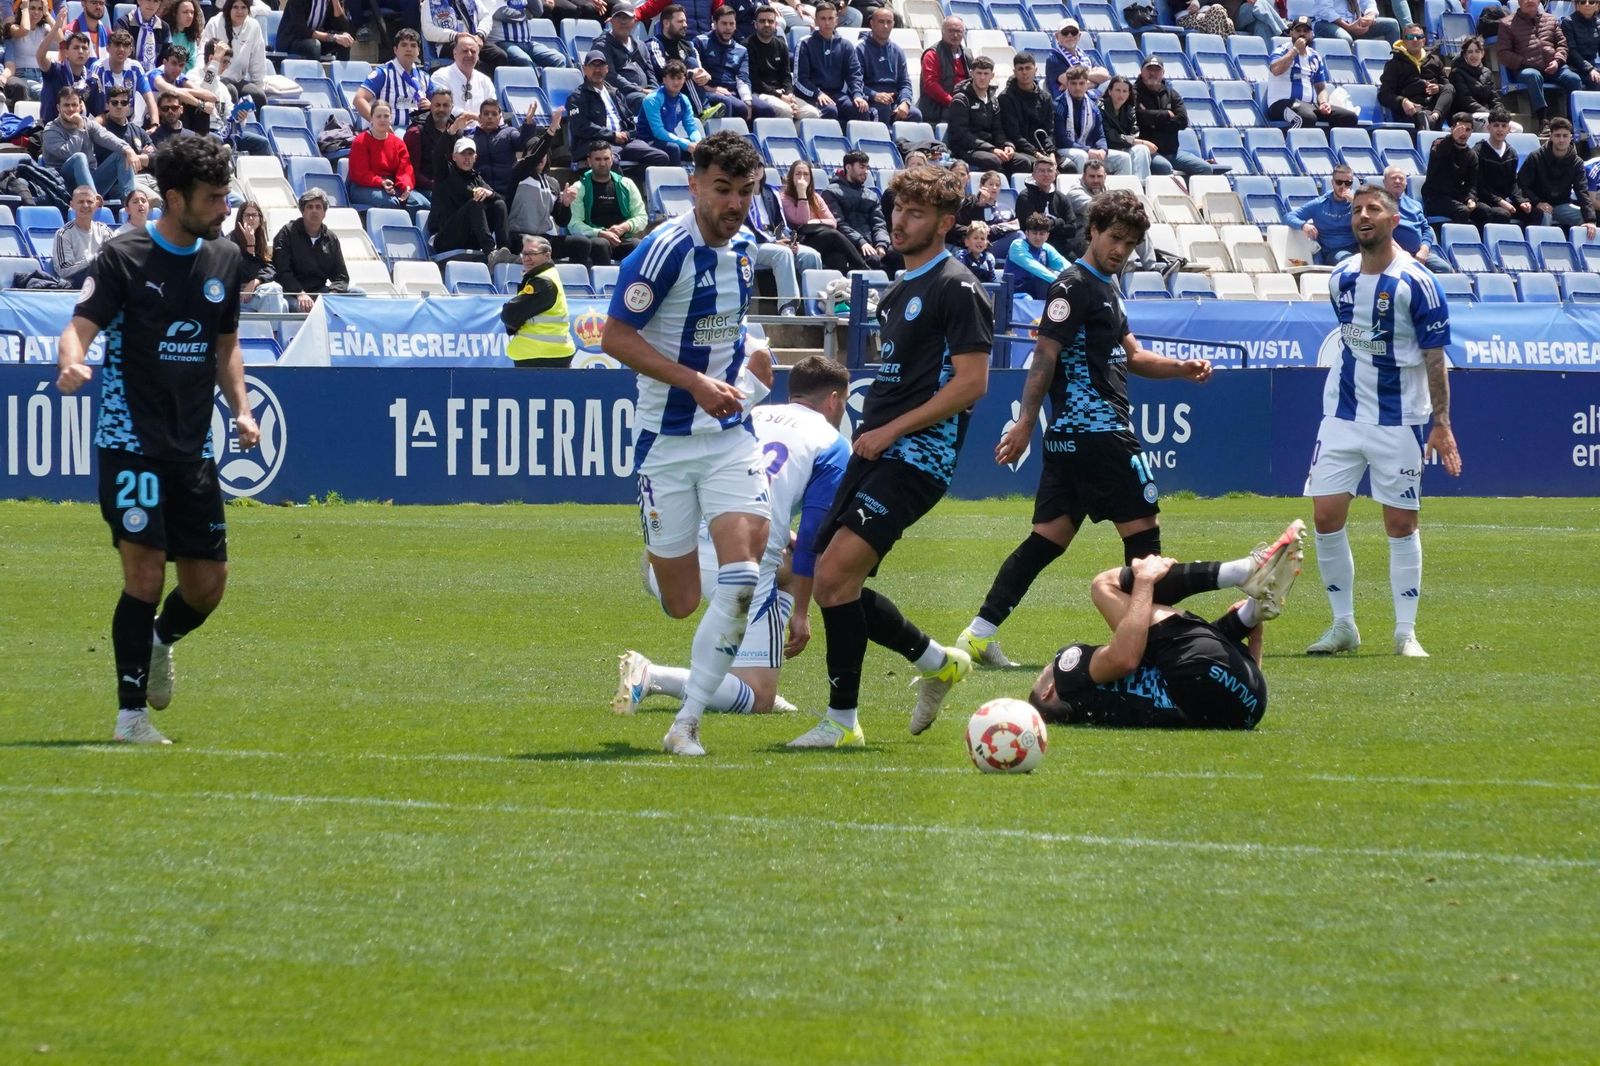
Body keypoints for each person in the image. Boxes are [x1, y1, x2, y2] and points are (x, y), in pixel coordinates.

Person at [53, 135, 258, 746]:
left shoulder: (223, 258)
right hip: (130, 442)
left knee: (207, 586)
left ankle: (162, 639)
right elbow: (78, 328)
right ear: (175, 198)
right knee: (143, 575)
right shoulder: (123, 257)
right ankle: (129, 717)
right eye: (214, 197)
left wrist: (242, 409)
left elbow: (226, 348)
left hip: (192, 451)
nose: (225, 206)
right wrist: (71, 363)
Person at [786, 164, 993, 749]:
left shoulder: (958, 286)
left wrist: (891, 430)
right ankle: (936, 662)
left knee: (832, 576)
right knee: (834, 583)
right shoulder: (899, 288)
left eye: (917, 213)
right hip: (875, 449)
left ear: (947, 223)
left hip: (917, 458)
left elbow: (971, 384)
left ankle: (842, 721)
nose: (901, 221)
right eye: (898, 209)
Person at [961, 190, 1213, 666]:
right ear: (1093, 231)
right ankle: (1155, 646)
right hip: (1101, 434)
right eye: (1115, 237)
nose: (1122, 249)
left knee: (1046, 540)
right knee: (1145, 544)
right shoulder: (1073, 285)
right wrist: (1024, 423)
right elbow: (1044, 354)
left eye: (1132, 242)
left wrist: (1182, 367)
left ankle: (977, 634)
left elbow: (1134, 357)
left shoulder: (1105, 288)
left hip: (1073, 442)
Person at [599, 132, 769, 757]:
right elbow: (614, 338)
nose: (734, 204)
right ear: (694, 184)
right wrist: (694, 381)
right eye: (722, 190)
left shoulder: (747, 249)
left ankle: (686, 722)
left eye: (745, 192)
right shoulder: (662, 251)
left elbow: (731, 327)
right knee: (680, 603)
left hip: (730, 440)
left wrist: (753, 358)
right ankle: (660, 556)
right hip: (665, 444)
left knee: (746, 575)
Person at [616, 356, 853, 718]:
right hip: (741, 564)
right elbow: (811, 539)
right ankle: (654, 676)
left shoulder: (750, 415)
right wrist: (802, 614)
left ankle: (757, 664)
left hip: (673, 559)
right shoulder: (831, 443)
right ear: (834, 400)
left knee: (784, 567)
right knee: (756, 698)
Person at [1304, 181, 1458, 659]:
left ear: (1395, 221)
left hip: (1399, 421)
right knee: (1326, 517)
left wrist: (1442, 423)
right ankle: (1343, 625)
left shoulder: (1419, 282)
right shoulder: (1340, 278)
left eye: (1373, 209)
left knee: (1400, 524)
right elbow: (1351, 340)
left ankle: (1405, 632)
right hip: (1342, 417)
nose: (1362, 215)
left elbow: (1435, 357)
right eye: (1356, 209)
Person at [1027, 534, 1304, 730]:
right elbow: (1125, 657)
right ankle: (1244, 571)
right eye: (1043, 673)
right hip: (1199, 671)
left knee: (1177, 646)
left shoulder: (1101, 705)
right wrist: (1145, 581)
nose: (1047, 667)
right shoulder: (1066, 676)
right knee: (1105, 586)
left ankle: (1251, 614)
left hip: (1249, 704)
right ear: (1050, 690)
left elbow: (1211, 666)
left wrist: (1256, 636)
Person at [567, 50, 674, 174]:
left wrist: (628, 134)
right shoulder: (576, 97)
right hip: (597, 143)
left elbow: (630, 121)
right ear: (585, 69)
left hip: (624, 142)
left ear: (607, 69)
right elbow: (580, 126)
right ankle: (622, 187)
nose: (597, 70)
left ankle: (629, 183)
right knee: (610, 161)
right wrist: (612, 135)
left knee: (661, 158)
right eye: (593, 66)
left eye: (601, 66)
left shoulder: (615, 93)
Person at [43, 85, 139, 201]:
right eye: (66, 105)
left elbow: (106, 137)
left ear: (80, 107)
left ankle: (131, 202)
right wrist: (79, 128)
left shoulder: (88, 123)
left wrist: (128, 149)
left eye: (74, 105)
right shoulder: (51, 129)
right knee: (79, 157)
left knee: (122, 153)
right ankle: (92, 201)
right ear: (58, 108)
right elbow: (70, 153)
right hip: (64, 185)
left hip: (92, 181)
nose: (71, 109)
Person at [746, 166, 821, 315]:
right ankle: (788, 307)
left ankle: (813, 307)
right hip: (753, 244)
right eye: (751, 165)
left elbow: (781, 224)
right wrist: (773, 242)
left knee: (811, 255)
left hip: (774, 241)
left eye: (759, 166)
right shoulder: (740, 194)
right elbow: (745, 229)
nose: (756, 169)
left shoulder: (770, 192)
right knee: (782, 253)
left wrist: (788, 240)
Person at [428, 137, 515, 261]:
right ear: (454, 157)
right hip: (445, 239)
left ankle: (504, 251)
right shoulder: (445, 173)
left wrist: (489, 193)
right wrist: (450, 132)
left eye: (470, 154)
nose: (467, 158)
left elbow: (499, 198)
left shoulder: (476, 178)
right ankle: (491, 252)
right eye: (463, 154)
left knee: (499, 204)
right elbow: (437, 154)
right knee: (475, 203)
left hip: (469, 239)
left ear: (475, 157)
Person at [1498, 0, 1583, 126]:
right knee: (1533, 76)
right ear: (1519, 2)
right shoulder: (1506, 24)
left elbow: (1562, 45)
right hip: (1525, 69)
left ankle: (1572, 122)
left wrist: (1557, 61)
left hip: (1554, 68)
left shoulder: (1551, 20)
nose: (1529, 1)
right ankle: (1542, 120)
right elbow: (1503, 53)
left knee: (1574, 79)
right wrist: (1525, 62)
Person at [1135, 56, 1222, 177]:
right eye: (1149, 69)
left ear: (1163, 73)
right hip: (1148, 153)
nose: (1153, 73)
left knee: (1205, 168)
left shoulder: (1172, 94)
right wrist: (1166, 114)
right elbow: (1139, 117)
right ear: (1141, 71)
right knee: (1164, 168)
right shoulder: (1133, 93)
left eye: (1157, 70)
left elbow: (1182, 121)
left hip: (1172, 153)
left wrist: (1152, 119)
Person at [780, 159, 872, 273]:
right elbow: (801, 220)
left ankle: (844, 286)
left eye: (806, 174)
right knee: (833, 235)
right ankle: (864, 268)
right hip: (800, 240)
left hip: (819, 238)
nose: (802, 178)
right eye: (798, 174)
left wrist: (813, 222)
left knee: (837, 257)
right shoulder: (784, 198)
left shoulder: (815, 197)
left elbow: (832, 222)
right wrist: (802, 193)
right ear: (791, 177)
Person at [1269, 17, 1359, 129]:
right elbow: (1275, 70)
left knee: (1349, 117)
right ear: (1291, 33)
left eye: (1306, 31)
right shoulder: (1282, 50)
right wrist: (1295, 50)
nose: (1302, 34)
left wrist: (1323, 103)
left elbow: (1320, 87)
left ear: (1312, 34)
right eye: (1298, 30)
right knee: (1307, 117)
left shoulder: (1315, 56)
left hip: (1308, 106)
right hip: (1281, 104)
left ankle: (1328, 144)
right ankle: (1292, 145)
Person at [502, 235, 577, 367]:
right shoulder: (548, 275)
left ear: (547, 255)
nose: (526, 258)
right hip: (549, 354)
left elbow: (510, 314)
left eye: (532, 254)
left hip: (539, 355)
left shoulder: (543, 281)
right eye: (524, 253)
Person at [273, 187, 352, 312]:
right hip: (292, 293)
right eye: (310, 207)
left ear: (324, 213)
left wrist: (332, 294)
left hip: (321, 293)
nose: (314, 210)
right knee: (306, 310)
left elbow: (341, 277)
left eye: (318, 207)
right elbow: (282, 271)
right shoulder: (287, 233)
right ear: (302, 211)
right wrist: (300, 293)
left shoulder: (331, 238)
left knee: (358, 294)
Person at [948, 56, 1030, 175]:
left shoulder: (993, 100)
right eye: (979, 73)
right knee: (993, 161)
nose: (982, 77)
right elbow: (961, 134)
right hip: (965, 148)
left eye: (986, 73)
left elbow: (998, 129)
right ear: (972, 74)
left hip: (990, 147)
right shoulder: (961, 99)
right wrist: (991, 149)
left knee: (1023, 162)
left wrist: (1007, 145)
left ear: (992, 76)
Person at [821, 149, 899, 272]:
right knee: (872, 259)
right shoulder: (831, 193)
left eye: (867, 168)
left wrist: (881, 244)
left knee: (900, 255)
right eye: (861, 167)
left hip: (871, 244)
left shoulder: (871, 195)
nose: (866, 172)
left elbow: (879, 224)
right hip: (848, 245)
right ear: (848, 167)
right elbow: (839, 225)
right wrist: (861, 242)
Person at [568, 139, 647, 261]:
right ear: (589, 162)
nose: (603, 163)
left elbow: (642, 217)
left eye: (606, 159)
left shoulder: (626, 184)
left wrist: (625, 227)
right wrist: (600, 233)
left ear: (612, 160)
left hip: (621, 238)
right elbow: (574, 224)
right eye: (598, 159)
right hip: (595, 239)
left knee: (638, 245)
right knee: (600, 245)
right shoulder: (579, 187)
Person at [1517, 116, 1597, 231]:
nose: (1561, 140)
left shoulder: (1577, 162)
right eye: (1557, 135)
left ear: (1571, 138)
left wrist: (1590, 220)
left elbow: (1582, 191)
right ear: (1551, 137)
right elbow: (1522, 185)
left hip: (1561, 205)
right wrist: (1537, 202)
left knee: (1583, 218)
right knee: (1545, 216)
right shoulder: (1536, 157)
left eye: (1565, 136)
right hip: (1539, 204)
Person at [349, 100, 429, 213]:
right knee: (391, 203)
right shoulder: (360, 141)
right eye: (378, 116)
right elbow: (360, 173)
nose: (382, 119)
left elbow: (405, 170)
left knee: (421, 204)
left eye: (386, 116)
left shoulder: (398, 143)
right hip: (363, 186)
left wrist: (406, 186)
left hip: (392, 184)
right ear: (371, 119)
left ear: (390, 118)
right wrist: (380, 182)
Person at [1056, 65, 1135, 176]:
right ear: (1067, 84)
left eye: (1081, 83)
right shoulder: (1059, 105)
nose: (1078, 88)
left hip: (1088, 149)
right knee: (1081, 156)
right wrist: (1087, 150)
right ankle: (1082, 190)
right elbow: (1061, 140)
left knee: (1123, 158)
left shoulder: (1093, 106)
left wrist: (1102, 149)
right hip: (1065, 150)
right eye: (1074, 83)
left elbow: (1100, 134)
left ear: (1087, 84)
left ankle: (1121, 193)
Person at [699, 4, 773, 120]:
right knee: (739, 108)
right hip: (710, 91)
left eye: (731, 24)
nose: (728, 28)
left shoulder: (741, 50)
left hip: (733, 91)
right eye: (724, 23)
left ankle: (750, 137)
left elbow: (743, 78)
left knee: (765, 110)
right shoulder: (701, 42)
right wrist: (710, 88)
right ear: (715, 23)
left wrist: (747, 101)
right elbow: (695, 72)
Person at [795, 0, 865, 122]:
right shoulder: (805, 43)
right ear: (816, 20)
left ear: (836, 20)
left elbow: (854, 75)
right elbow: (800, 79)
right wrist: (818, 93)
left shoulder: (846, 45)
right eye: (823, 18)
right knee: (830, 110)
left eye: (830, 18)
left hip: (837, 94)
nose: (827, 22)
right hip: (812, 94)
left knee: (860, 109)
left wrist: (857, 95)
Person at [747, 3, 817, 119]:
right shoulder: (748, 45)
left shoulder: (781, 45)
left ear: (776, 24)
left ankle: (794, 136)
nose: (766, 24)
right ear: (755, 24)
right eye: (762, 21)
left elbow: (786, 76)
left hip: (783, 94)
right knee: (785, 111)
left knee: (812, 114)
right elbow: (755, 81)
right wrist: (779, 96)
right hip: (761, 93)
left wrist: (790, 95)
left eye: (770, 21)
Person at [1377, 24, 1453, 131]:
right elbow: (1384, 95)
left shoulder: (1435, 61)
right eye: (1410, 37)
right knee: (1421, 116)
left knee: (1449, 88)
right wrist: (1403, 101)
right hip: (1410, 112)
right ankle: (1428, 121)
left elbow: (1447, 87)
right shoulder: (1394, 64)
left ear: (1424, 40)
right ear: (1404, 41)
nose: (1415, 40)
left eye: (1419, 37)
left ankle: (1433, 118)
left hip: (1434, 109)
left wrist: (1438, 88)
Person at [354, 28, 431, 129]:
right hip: (390, 130)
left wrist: (431, 106)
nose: (409, 49)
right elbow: (359, 99)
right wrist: (377, 122)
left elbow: (440, 103)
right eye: (404, 45)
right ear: (395, 50)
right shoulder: (382, 73)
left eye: (413, 45)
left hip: (418, 130)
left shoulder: (425, 77)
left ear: (418, 51)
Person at [199, 0, 267, 111]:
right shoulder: (215, 23)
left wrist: (258, 85)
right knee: (230, 91)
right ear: (229, 7)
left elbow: (258, 62)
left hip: (238, 79)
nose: (239, 11)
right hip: (216, 79)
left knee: (258, 96)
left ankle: (253, 127)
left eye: (243, 7)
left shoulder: (254, 26)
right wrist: (206, 79)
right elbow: (202, 56)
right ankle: (230, 125)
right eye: (235, 7)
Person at [855, 5, 916, 124]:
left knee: (915, 114)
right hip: (872, 101)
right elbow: (855, 82)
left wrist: (905, 102)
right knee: (881, 111)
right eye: (881, 22)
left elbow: (905, 83)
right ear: (872, 24)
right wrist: (874, 95)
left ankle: (904, 143)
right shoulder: (860, 49)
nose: (885, 26)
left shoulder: (898, 51)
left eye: (889, 22)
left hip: (894, 102)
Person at [1286, 164, 1358, 265]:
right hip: (1334, 253)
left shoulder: (1359, 200)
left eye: (1348, 183)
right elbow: (1288, 217)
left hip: (1360, 248)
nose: (1343, 186)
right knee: (1348, 260)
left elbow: (1375, 218)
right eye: (1339, 182)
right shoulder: (1320, 204)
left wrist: (1356, 203)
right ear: (1332, 183)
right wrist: (1304, 225)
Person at [1475, 107, 1535, 225]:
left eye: (1504, 126)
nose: (1500, 129)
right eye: (1496, 125)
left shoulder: (1511, 153)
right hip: (1484, 201)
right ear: (1489, 128)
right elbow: (1478, 186)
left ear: (1509, 129)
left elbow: (1513, 183)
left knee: (1534, 212)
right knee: (1502, 214)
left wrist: (1521, 201)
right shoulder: (1478, 152)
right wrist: (1500, 201)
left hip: (1505, 201)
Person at [1014, 156, 1081, 260]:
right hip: (1032, 247)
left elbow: (1072, 229)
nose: (1046, 174)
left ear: (1055, 174)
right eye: (1041, 171)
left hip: (1061, 247)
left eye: (1050, 171)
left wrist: (1052, 223)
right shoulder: (1025, 197)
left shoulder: (1062, 198)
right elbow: (1034, 225)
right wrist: (1059, 222)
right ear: (1034, 175)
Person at [1101, 74, 1166, 180]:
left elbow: (1134, 133)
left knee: (1142, 150)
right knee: (1140, 147)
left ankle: (1140, 186)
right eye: (1117, 90)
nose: (1121, 94)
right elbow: (1109, 135)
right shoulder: (1100, 108)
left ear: (1129, 93)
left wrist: (1136, 142)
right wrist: (1140, 142)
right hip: (1106, 150)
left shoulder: (1129, 110)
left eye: (1124, 91)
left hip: (1123, 147)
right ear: (1109, 91)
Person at [228, 198, 288, 314]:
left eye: (254, 215)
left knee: (278, 296)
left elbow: (270, 267)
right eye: (247, 215)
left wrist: (256, 281)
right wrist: (250, 246)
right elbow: (243, 272)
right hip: (238, 293)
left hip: (255, 289)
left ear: (260, 219)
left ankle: (273, 332)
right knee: (274, 292)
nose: (251, 219)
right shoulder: (230, 242)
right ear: (240, 219)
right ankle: (275, 332)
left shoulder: (260, 239)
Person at [1449, 34, 1520, 130]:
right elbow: (1465, 101)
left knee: (1516, 128)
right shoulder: (1456, 73)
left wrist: (1500, 112)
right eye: (1470, 52)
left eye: (1477, 51)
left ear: (1482, 53)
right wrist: (1490, 114)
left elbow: (1494, 98)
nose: (1474, 55)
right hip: (1465, 117)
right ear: (1465, 55)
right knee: (1489, 124)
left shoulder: (1487, 72)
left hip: (1485, 115)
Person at [646, 4, 708, 114]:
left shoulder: (689, 45)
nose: (685, 25)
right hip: (667, 88)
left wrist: (705, 76)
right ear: (666, 23)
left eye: (685, 21)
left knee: (728, 102)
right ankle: (702, 111)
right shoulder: (655, 43)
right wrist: (689, 74)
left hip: (691, 89)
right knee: (690, 64)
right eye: (680, 21)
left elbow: (699, 70)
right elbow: (663, 71)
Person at [999, 53, 1057, 170]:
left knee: (1068, 166)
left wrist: (1051, 153)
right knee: (1033, 165)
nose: (1024, 72)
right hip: (1021, 149)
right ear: (1014, 72)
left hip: (1043, 150)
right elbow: (1013, 134)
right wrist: (1036, 154)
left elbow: (1049, 131)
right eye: (1020, 69)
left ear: (1035, 70)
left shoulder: (1046, 98)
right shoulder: (1005, 98)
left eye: (1028, 68)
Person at [1422, 113, 1482, 224]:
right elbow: (1439, 152)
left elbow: (1471, 184)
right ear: (1452, 129)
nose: (1463, 133)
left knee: (1486, 212)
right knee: (1462, 211)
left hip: (1456, 198)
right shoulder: (1439, 143)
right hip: (1435, 198)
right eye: (1460, 129)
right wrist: (1452, 137)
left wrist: (1471, 199)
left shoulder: (1471, 155)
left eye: (1467, 130)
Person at [37, 28, 106, 125]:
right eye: (76, 47)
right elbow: (40, 57)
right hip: (51, 128)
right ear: (66, 52)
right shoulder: (55, 70)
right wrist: (56, 27)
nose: (81, 51)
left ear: (89, 53)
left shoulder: (92, 79)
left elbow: (101, 115)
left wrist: (88, 127)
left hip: (81, 131)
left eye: (84, 48)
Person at [639, 58, 702, 164]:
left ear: (684, 79)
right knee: (674, 148)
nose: (676, 82)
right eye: (672, 78)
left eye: (679, 78)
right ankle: (676, 179)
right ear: (664, 79)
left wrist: (698, 144)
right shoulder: (653, 99)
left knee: (702, 148)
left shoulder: (684, 100)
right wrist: (686, 144)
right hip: (648, 141)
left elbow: (691, 127)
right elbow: (658, 131)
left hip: (669, 139)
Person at [51, 184, 115, 286]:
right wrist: (91, 260)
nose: (85, 205)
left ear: (96, 205)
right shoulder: (63, 234)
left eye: (89, 202)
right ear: (72, 205)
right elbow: (64, 271)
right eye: (80, 202)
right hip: (77, 286)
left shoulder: (105, 231)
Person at [95, 29, 159, 129]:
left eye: (125, 46)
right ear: (108, 48)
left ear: (130, 50)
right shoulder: (98, 68)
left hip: (127, 124)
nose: (121, 49)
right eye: (117, 45)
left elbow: (149, 98)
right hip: (103, 124)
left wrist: (155, 125)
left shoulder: (135, 68)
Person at [595, 2, 655, 108]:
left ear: (634, 20)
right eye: (618, 17)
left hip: (645, 93)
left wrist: (656, 90)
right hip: (620, 94)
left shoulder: (640, 45)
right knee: (644, 101)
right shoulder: (602, 45)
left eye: (627, 17)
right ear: (611, 21)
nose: (623, 22)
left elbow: (650, 73)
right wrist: (641, 90)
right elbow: (610, 77)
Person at [431, 33, 496, 119]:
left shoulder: (485, 80)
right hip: (451, 130)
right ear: (455, 53)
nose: (469, 55)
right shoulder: (440, 76)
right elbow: (442, 109)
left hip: (482, 130)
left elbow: (493, 109)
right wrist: (474, 117)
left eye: (473, 51)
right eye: (465, 51)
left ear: (478, 56)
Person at [917, 14, 967, 125]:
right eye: (950, 31)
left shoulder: (967, 54)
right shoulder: (932, 54)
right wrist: (952, 102)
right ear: (942, 32)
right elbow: (931, 85)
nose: (955, 35)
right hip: (937, 110)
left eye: (959, 31)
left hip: (962, 106)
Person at [489, 0, 569, 69]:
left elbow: (538, 11)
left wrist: (526, 13)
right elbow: (501, 13)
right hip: (503, 42)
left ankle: (546, 84)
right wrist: (526, 14)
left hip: (527, 43)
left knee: (559, 59)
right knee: (525, 60)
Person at [954, 169, 1019, 249]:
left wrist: (999, 228)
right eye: (991, 184)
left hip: (1005, 244)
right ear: (982, 186)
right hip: (984, 246)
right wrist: (980, 205)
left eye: (997, 185)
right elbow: (972, 228)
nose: (994, 187)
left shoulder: (1007, 208)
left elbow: (1016, 225)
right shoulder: (972, 205)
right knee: (1019, 236)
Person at [1382, 164, 1435, 263]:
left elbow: (1427, 230)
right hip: (1393, 254)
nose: (1398, 181)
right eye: (1393, 178)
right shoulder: (1378, 205)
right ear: (1384, 182)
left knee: (1444, 268)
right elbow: (1381, 234)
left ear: (1406, 183)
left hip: (1419, 255)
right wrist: (1400, 253)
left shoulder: (1415, 205)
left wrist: (1424, 250)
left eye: (1401, 178)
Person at [276, 0, 353, 62]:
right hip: (292, 40)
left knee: (345, 39)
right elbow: (302, 31)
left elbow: (344, 27)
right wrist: (333, 37)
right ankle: (314, 78)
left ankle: (340, 76)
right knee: (314, 45)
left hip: (317, 40)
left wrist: (336, 3)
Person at [1046, 19, 1107, 96]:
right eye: (1065, 32)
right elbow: (1072, 83)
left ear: (1079, 36)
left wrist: (1081, 77)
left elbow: (1105, 76)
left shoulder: (1087, 57)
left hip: (1091, 100)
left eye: (1074, 32)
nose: (1070, 35)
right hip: (1066, 103)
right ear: (1057, 37)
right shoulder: (1053, 59)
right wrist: (1096, 82)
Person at [1310, 0, 1400, 45]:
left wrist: (1370, 17)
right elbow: (1325, 11)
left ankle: (1396, 65)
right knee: (1345, 39)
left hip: (1354, 23)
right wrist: (1348, 27)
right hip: (1327, 23)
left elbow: (1369, 3)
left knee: (1392, 25)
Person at [116, 0, 169, 73]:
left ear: (159, 4)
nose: (151, 4)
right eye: (148, 0)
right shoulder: (123, 23)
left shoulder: (163, 27)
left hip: (155, 75)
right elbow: (121, 52)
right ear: (139, 1)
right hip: (128, 72)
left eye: (156, 1)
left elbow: (166, 55)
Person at [1563, 0, 1600, 90]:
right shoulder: (1568, 22)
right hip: (1573, 66)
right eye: (1582, 2)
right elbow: (1571, 51)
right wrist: (1590, 69)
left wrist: (1592, 69)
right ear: (1577, 6)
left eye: (1591, 2)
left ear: (1597, 6)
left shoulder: (1598, 24)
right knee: (1591, 79)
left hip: (1591, 65)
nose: (1587, 4)